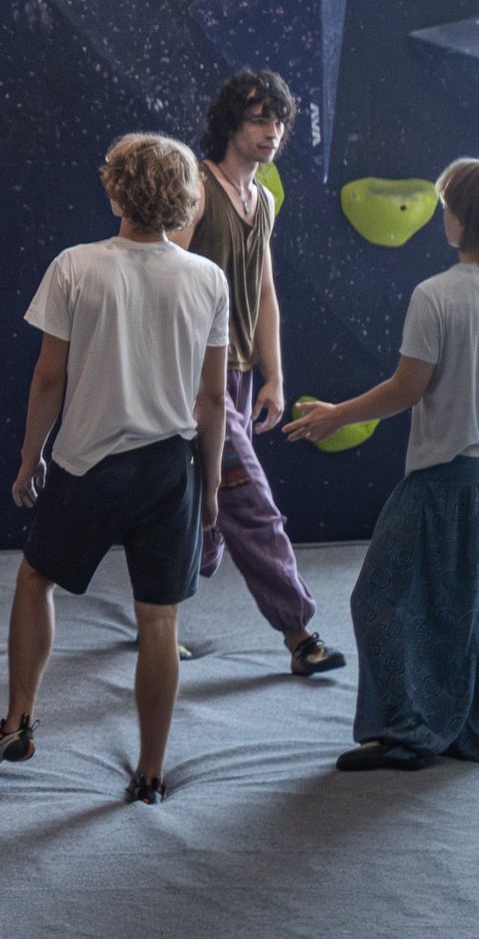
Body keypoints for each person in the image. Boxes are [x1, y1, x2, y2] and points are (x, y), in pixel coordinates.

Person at [0, 134, 229, 804]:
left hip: (87, 463)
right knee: (159, 622)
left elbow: (50, 375)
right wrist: (213, 485)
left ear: (115, 191)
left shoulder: (75, 266)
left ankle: (19, 723)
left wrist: (31, 458)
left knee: (35, 580)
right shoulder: (208, 279)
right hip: (171, 469)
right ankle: (150, 771)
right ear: (184, 200)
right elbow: (213, 399)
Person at [286, 158, 479, 770]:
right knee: (466, 606)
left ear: (460, 219)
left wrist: (337, 414)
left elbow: (407, 387)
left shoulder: (437, 295)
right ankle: (465, 727)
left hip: (445, 480)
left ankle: (405, 731)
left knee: (379, 598)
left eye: (447, 205)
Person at [178, 71, 345, 676]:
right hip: (195, 378)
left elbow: (266, 291)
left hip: (241, 375)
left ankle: (158, 607)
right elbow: (161, 276)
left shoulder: (264, 200)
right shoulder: (195, 187)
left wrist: (274, 377)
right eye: (258, 118)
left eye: (278, 120)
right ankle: (301, 636)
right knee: (250, 502)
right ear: (231, 123)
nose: (272, 131)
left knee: (203, 505)